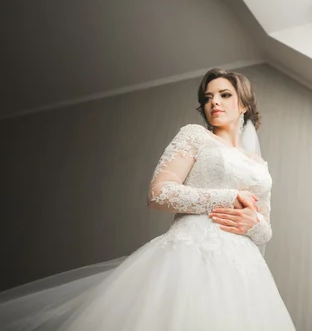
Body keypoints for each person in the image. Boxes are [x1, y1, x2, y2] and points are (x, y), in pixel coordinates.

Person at [0, 68, 296, 331]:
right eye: (207, 97)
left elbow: (266, 228)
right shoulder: (195, 136)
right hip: (189, 254)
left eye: (224, 94)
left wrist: (253, 222)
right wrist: (229, 197)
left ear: (243, 103)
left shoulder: (259, 164)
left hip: (243, 270)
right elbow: (159, 193)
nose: (213, 102)